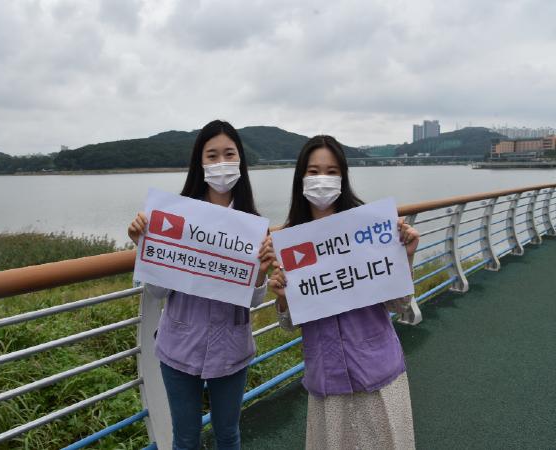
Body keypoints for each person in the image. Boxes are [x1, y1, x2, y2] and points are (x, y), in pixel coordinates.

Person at [128, 120, 275, 450]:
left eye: (229, 154)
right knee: (185, 438)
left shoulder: (253, 225)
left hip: (232, 348)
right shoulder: (177, 216)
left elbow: (254, 300)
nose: (221, 163)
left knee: (229, 434)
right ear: (200, 162)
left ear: (241, 160)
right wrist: (145, 246)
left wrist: (261, 272)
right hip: (179, 345)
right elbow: (158, 292)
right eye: (212, 155)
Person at [269, 135, 420, 450]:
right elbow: (288, 325)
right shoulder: (289, 240)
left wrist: (405, 257)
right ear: (300, 178)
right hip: (328, 380)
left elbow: (400, 303)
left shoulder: (369, 228)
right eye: (313, 172)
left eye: (331, 171)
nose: (321, 179)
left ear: (343, 177)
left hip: (378, 374)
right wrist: (282, 297)